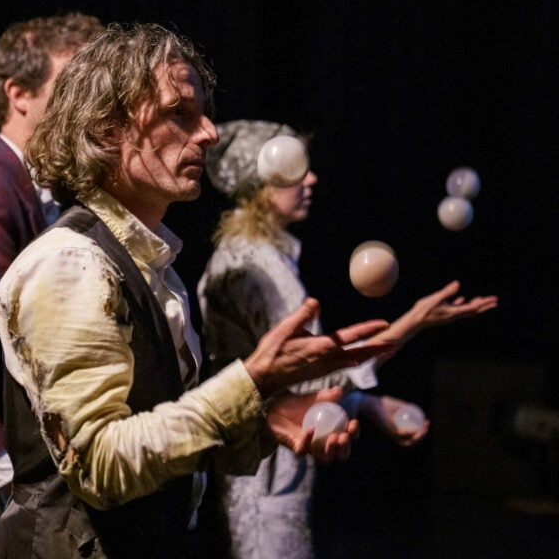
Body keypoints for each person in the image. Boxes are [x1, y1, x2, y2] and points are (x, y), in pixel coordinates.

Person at [0, 23, 401, 559]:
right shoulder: (71, 263)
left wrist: (261, 420)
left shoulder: (150, 264)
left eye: (202, 113)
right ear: (108, 129)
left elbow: (156, 435)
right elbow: (101, 466)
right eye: (179, 112)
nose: (208, 133)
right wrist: (250, 382)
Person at [197, 119, 499, 558]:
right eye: (297, 170)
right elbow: (312, 373)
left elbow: (292, 381)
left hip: (273, 468)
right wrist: (414, 321)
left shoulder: (261, 256)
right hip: (263, 475)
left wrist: (368, 405)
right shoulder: (256, 267)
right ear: (261, 184)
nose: (311, 179)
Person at [0, 12, 102, 558]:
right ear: (18, 94)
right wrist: (12, 480)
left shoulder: (46, 191)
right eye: (71, 86)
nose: (88, 104)